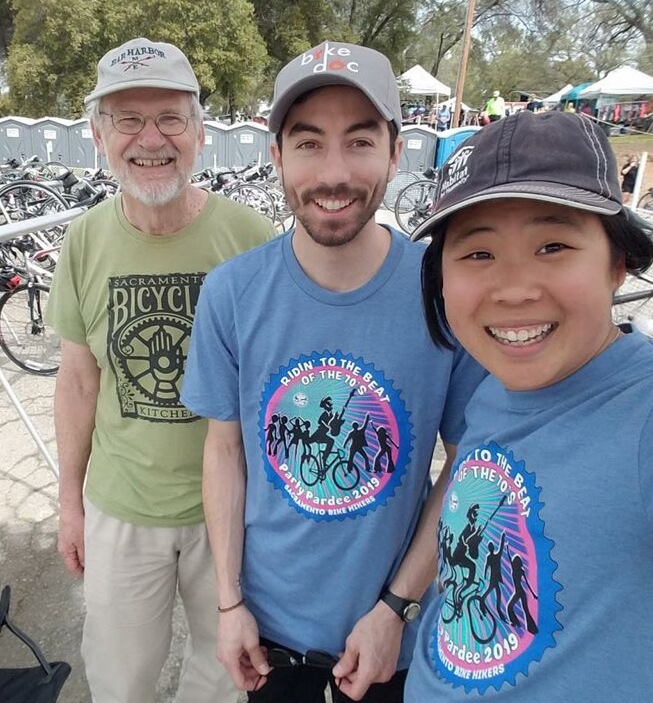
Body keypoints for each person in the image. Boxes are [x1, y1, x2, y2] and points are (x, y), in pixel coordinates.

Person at [403, 110, 653, 702]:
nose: (514, 288)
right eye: (477, 254)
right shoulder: (497, 388)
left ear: (616, 263)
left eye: (553, 245)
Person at [180, 40, 485, 703]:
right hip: (267, 638)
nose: (334, 173)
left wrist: (396, 607)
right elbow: (223, 451)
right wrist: (229, 603)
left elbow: (468, 465)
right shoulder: (232, 293)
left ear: (396, 151)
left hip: (390, 640)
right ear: (277, 156)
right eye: (310, 143)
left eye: (360, 141)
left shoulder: (443, 292)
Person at [45, 38, 274, 703]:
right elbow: (78, 381)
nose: (151, 138)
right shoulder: (83, 239)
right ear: (98, 134)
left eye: (170, 118)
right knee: (120, 679)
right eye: (127, 119)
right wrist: (69, 502)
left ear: (201, 132)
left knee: (228, 676)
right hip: (122, 509)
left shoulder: (251, 237)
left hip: (230, 514)